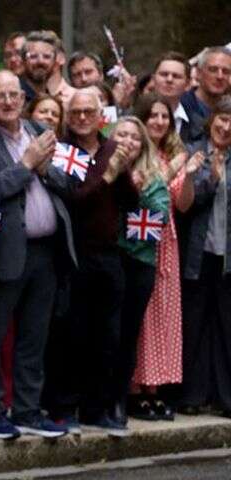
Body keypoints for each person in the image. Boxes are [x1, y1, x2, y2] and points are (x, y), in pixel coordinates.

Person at [0, 70, 77, 440]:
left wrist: (46, 170)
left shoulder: (37, 131)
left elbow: (67, 184)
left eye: (14, 95)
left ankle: (29, 409)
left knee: (35, 335)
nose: (7, 101)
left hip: (47, 251)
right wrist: (27, 165)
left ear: (23, 98)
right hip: (6, 252)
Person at [52, 89, 141, 435]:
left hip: (109, 254)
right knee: (73, 332)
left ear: (100, 115)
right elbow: (73, 200)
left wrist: (121, 173)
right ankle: (66, 404)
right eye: (76, 112)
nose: (83, 117)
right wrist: (105, 177)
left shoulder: (109, 148)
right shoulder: (61, 151)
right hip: (75, 254)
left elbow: (129, 201)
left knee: (108, 335)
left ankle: (98, 406)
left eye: (89, 111)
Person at [129, 94, 198, 420]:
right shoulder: (133, 151)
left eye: (164, 117)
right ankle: (133, 390)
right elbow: (143, 191)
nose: (159, 122)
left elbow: (182, 204)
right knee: (139, 317)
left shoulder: (170, 152)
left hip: (166, 241)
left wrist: (192, 174)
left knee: (161, 318)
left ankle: (153, 388)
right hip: (139, 240)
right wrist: (173, 170)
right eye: (153, 116)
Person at [104, 117, 169, 432]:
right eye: (121, 134)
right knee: (103, 331)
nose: (128, 141)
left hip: (139, 263)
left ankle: (117, 400)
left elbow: (159, 218)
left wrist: (139, 193)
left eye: (134, 136)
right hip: (107, 259)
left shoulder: (154, 177)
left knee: (126, 334)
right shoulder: (102, 169)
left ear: (142, 144)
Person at [178, 97, 231, 416]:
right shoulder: (192, 151)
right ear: (211, 120)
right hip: (197, 254)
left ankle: (225, 398)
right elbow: (188, 202)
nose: (226, 126)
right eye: (222, 119)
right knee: (194, 325)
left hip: (227, 257)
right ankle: (191, 396)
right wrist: (211, 178)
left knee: (226, 327)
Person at [180, 46, 231, 144]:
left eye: (225, 71)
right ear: (198, 73)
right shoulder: (181, 107)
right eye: (213, 70)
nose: (220, 76)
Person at [23, 31, 74, 107]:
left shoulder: (70, 98)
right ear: (22, 60)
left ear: (55, 61)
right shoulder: (15, 98)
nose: (40, 61)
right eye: (33, 56)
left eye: (46, 57)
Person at [152, 52, 194, 140]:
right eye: (164, 74)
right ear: (153, 79)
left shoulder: (198, 125)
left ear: (188, 84)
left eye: (176, 76)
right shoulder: (135, 116)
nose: (169, 79)